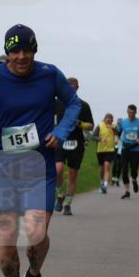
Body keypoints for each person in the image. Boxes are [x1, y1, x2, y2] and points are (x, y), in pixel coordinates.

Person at [0, 24, 81, 277]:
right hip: (2, 166)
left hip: (39, 165)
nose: (21, 56)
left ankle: (34, 275)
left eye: (27, 49)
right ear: (6, 53)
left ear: (35, 49)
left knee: (36, 232)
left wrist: (61, 130)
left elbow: (72, 103)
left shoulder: (49, 74)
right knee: (6, 239)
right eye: (14, 51)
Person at [54, 78, 93, 216]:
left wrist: (80, 123)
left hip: (76, 142)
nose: (71, 89)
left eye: (73, 87)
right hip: (59, 140)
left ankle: (68, 204)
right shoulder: (57, 102)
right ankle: (60, 194)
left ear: (77, 88)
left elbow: (90, 125)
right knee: (57, 169)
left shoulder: (83, 105)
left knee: (72, 174)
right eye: (68, 87)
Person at [117, 104, 139, 199]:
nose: (130, 114)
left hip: (136, 150)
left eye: (132, 113)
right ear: (127, 112)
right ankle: (127, 191)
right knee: (124, 170)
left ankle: (134, 179)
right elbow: (118, 133)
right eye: (129, 112)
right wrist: (118, 140)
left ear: (135, 113)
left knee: (133, 170)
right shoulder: (123, 122)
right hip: (126, 149)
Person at [92, 113, 117, 193]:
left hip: (110, 150)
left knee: (107, 166)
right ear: (104, 119)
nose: (108, 120)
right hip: (100, 150)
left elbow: (117, 134)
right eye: (107, 118)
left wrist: (116, 137)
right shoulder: (100, 126)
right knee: (102, 169)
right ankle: (102, 182)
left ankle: (105, 185)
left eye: (110, 119)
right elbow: (93, 136)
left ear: (112, 120)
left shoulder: (114, 127)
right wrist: (100, 139)